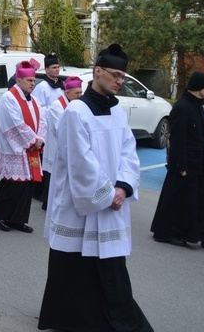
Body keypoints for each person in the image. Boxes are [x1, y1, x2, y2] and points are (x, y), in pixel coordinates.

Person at [38, 44, 153, 332]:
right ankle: (69, 318)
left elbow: (129, 152)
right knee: (75, 266)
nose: (119, 81)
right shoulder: (76, 112)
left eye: (122, 76)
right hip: (82, 206)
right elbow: (80, 162)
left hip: (112, 200)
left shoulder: (118, 113)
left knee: (111, 269)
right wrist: (107, 194)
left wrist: (124, 186)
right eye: (115, 74)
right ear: (97, 71)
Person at [151, 71, 204, 248]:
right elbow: (176, 139)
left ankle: (201, 235)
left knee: (197, 202)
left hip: (198, 164)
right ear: (200, 88)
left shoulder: (197, 105)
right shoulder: (182, 107)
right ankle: (165, 233)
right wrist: (180, 165)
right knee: (176, 202)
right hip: (185, 165)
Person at [0, 61, 46, 233]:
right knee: (14, 184)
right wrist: (32, 140)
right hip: (14, 147)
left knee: (27, 185)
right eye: (28, 80)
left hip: (31, 146)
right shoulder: (9, 98)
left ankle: (17, 219)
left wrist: (40, 137)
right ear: (19, 81)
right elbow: (15, 123)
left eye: (33, 81)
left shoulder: (34, 99)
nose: (32, 84)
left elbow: (42, 120)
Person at [39, 76, 83, 210]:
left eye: (81, 93)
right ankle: (48, 203)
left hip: (70, 146)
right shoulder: (56, 106)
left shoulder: (77, 104)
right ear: (67, 92)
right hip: (57, 147)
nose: (80, 96)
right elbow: (60, 128)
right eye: (77, 93)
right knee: (53, 176)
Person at [31, 53, 65, 202]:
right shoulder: (42, 87)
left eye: (58, 67)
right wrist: (53, 110)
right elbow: (38, 107)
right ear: (47, 70)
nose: (57, 70)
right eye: (54, 67)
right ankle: (38, 190)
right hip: (47, 125)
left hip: (58, 123)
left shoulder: (60, 86)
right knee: (45, 159)